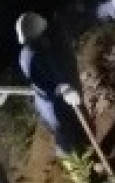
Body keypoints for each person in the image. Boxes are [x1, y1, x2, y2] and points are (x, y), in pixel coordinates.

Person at [15, 13, 85, 158]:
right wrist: (63, 89)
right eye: (42, 34)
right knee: (66, 142)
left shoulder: (30, 52)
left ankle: (86, 164)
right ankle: (82, 175)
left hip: (53, 103)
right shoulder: (32, 57)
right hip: (51, 107)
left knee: (72, 136)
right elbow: (42, 85)